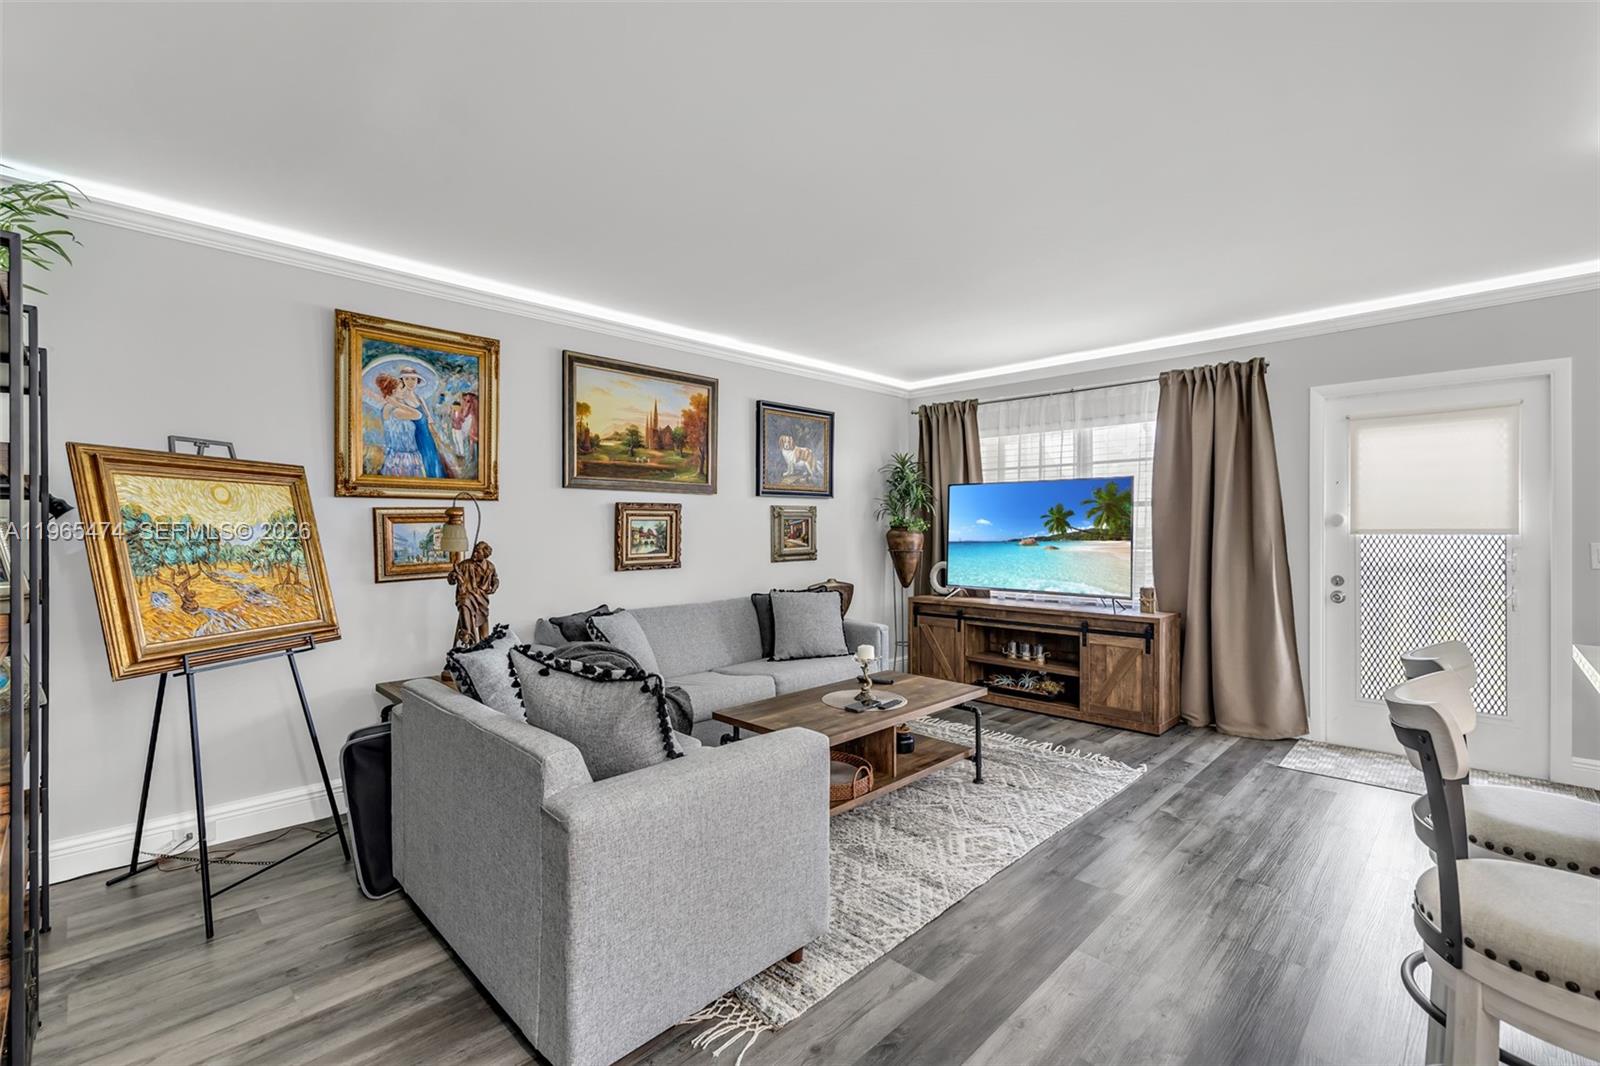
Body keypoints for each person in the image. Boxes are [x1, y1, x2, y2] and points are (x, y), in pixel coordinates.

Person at [375, 366, 449, 479]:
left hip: (426, 437)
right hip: (411, 439)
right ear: (402, 381)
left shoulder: (419, 399)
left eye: (413, 379)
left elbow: (429, 420)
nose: (410, 382)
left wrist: (436, 437)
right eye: (407, 379)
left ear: (417, 381)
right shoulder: (399, 399)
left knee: (432, 463)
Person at [448, 540, 499, 647]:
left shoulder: (490, 567)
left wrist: (494, 587)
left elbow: (495, 579)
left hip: (482, 598)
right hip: (467, 596)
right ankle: (466, 633)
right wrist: (453, 577)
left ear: (485, 555)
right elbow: (451, 577)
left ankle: (481, 641)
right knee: (464, 601)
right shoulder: (466, 564)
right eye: (474, 551)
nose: (474, 554)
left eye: (478, 552)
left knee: (482, 615)